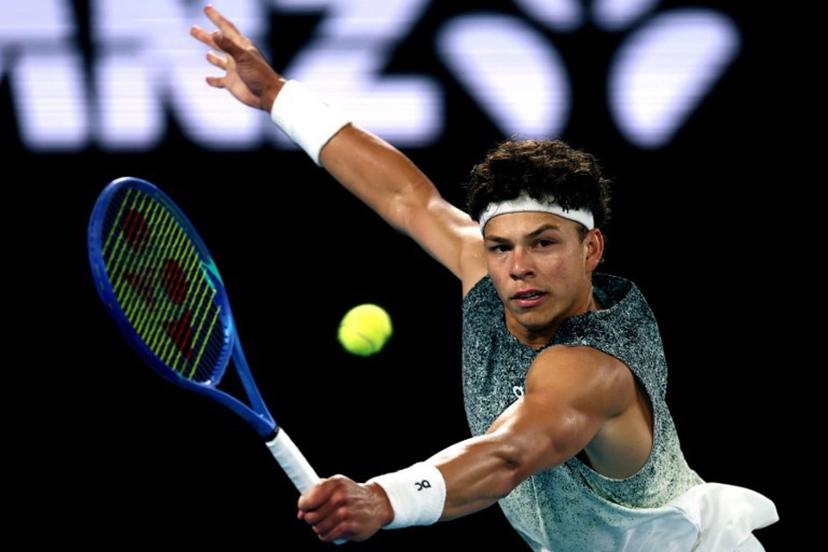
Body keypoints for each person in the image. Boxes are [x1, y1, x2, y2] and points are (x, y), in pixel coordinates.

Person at [191, 5, 778, 550]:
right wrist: (278, 96)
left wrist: (383, 499)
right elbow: (407, 197)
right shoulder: (492, 273)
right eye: (500, 247)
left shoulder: (594, 368)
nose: (518, 266)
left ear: (590, 247)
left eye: (544, 243)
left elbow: (506, 457)